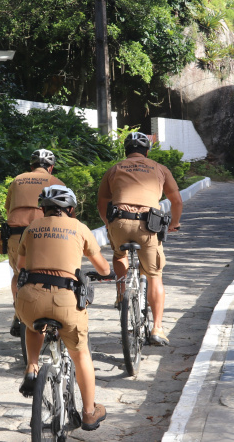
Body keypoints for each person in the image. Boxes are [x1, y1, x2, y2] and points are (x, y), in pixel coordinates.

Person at [16, 185, 111, 431]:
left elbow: (20, 267)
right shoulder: (79, 228)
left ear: (43, 209)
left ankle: (32, 366)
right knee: (81, 354)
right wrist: (105, 273)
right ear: (70, 209)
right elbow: (103, 268)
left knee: (32, 324)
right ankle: (89, 413)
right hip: (65, 301)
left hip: (29, 299)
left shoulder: (31, 228)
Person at [96, 132, 183, 346]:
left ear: (126, 150)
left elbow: (102, 200)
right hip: (148, 225)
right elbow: (176, 201)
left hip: (120, 223)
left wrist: (108, 223)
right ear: (147, 151)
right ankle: (157, 329)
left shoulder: (115, 168)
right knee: (154, 275)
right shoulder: (160, 168)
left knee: (119, 253)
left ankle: (121, 293)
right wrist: (174, 224)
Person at [0, 149, 64, 338]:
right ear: (50, 168)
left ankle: (18, 314)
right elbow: (67, 214)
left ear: (31, 166)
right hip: (44, 235)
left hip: (16, 234)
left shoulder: (17, 180)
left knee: (18, 274)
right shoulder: (55, 182)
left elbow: (8, 208)